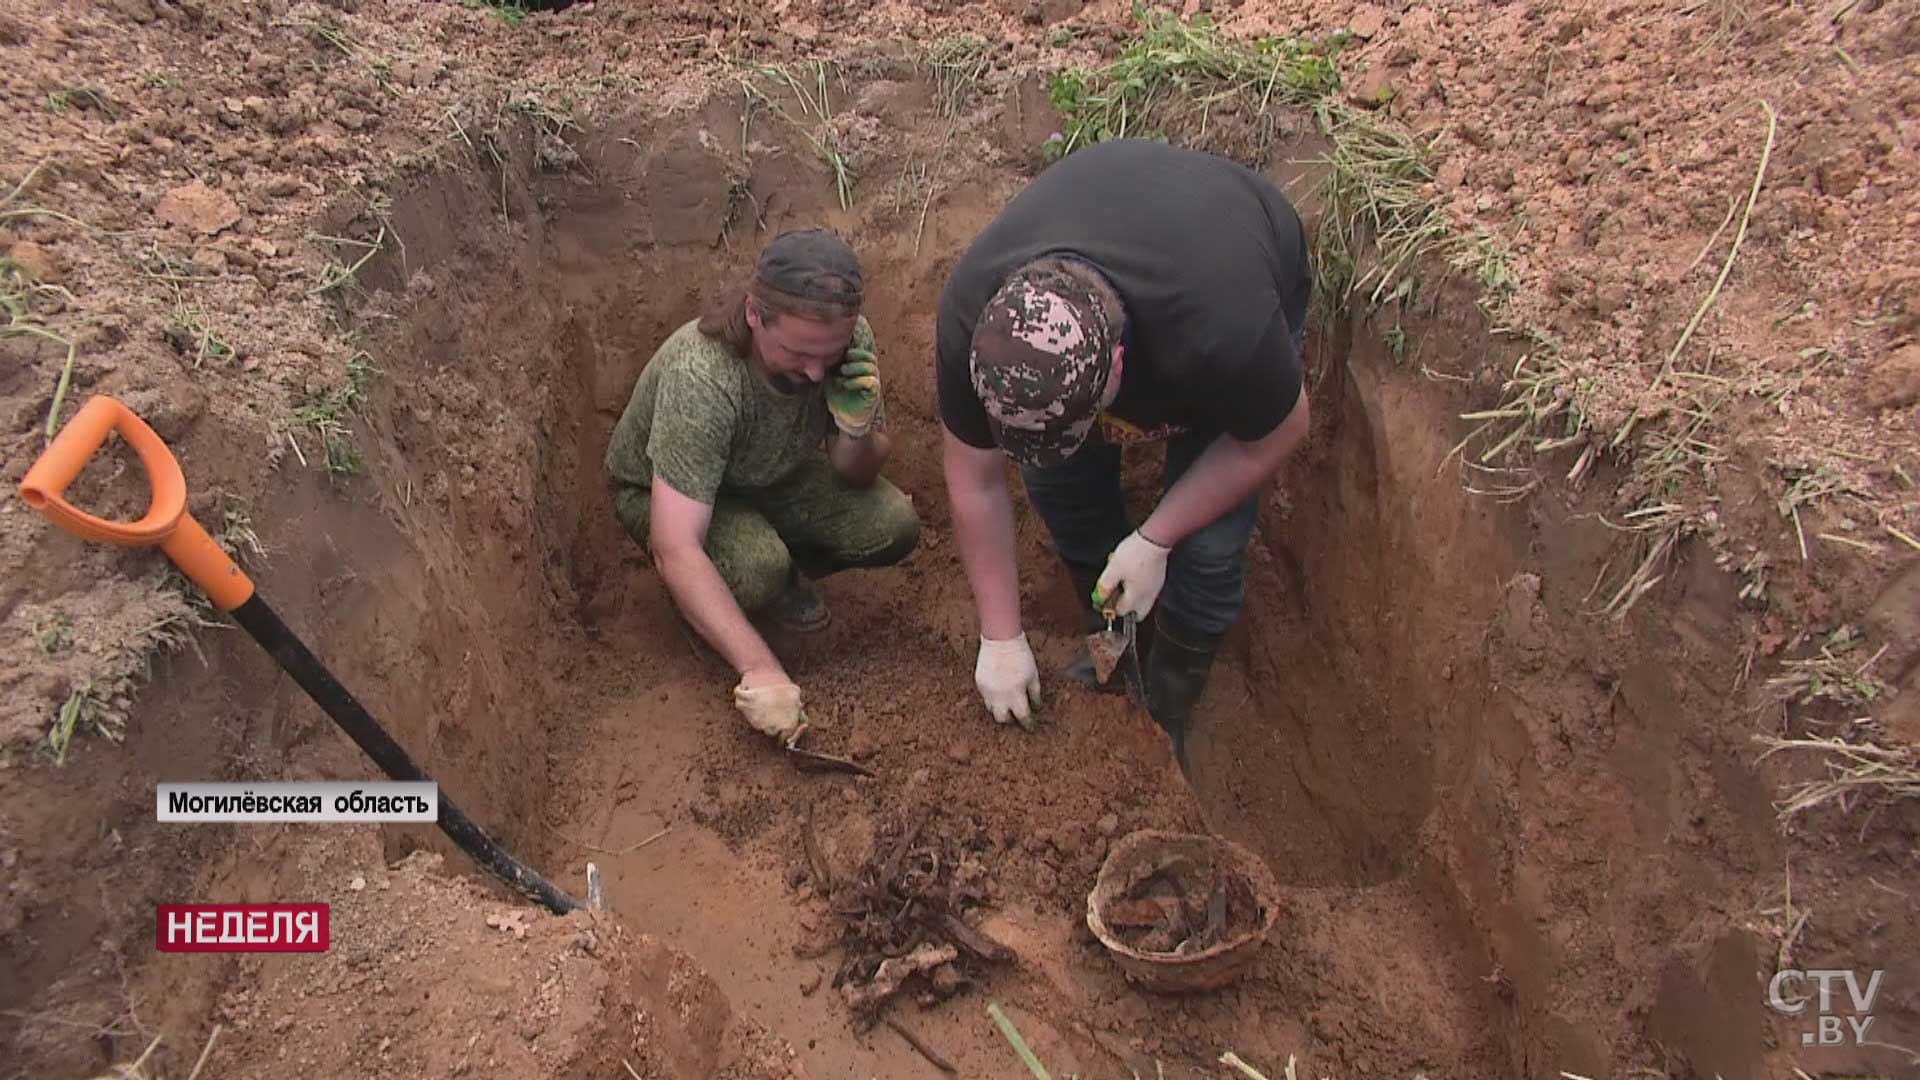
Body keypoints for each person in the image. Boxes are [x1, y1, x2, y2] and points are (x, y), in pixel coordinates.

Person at [935, 139, 1312, 768]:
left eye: (1086, 424)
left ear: (1116, 365)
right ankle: (1119, 638)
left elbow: (1278, 431)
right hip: (1122, 227)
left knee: (1210, 549)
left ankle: (1167, 704)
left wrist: (1158, 537)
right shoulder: (981, 325)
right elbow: (975, 482)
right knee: (1058, 485)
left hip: (1228, 251)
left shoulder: (1223, 330)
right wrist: (999, 636)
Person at [607, 228, 920, 747]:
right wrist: (762, 670)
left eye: (830, 353)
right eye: (798, 353)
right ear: (754, 315)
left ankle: (768, 573)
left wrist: (856, 431)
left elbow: (854, 473)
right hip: (660, 494)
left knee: (893, 526)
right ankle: (721, 601)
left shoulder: (845, 342)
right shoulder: (704, 377)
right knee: (755, 569)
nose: (818, 371)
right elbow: (676, 545)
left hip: (771, 475)